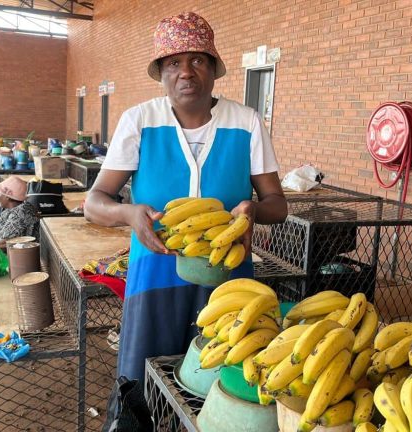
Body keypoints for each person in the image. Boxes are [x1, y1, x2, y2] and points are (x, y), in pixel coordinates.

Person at [84, 12, 287, 390]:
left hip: (229, 278)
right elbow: (94, 202)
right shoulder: (139, 121)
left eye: (197, 60)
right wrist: (128, 213)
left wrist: (252, 209)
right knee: (144, 383)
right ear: (161, 73)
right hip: (154, 274)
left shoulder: (245, 123)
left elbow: (278, 202)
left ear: (213, 69)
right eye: (174, 62)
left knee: (216, 383)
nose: (186, 71)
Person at [0, 176, 39, 248]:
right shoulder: (10, 210)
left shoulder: (21, 213)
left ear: (7, 197)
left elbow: (3, 243)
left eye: (0, 194)